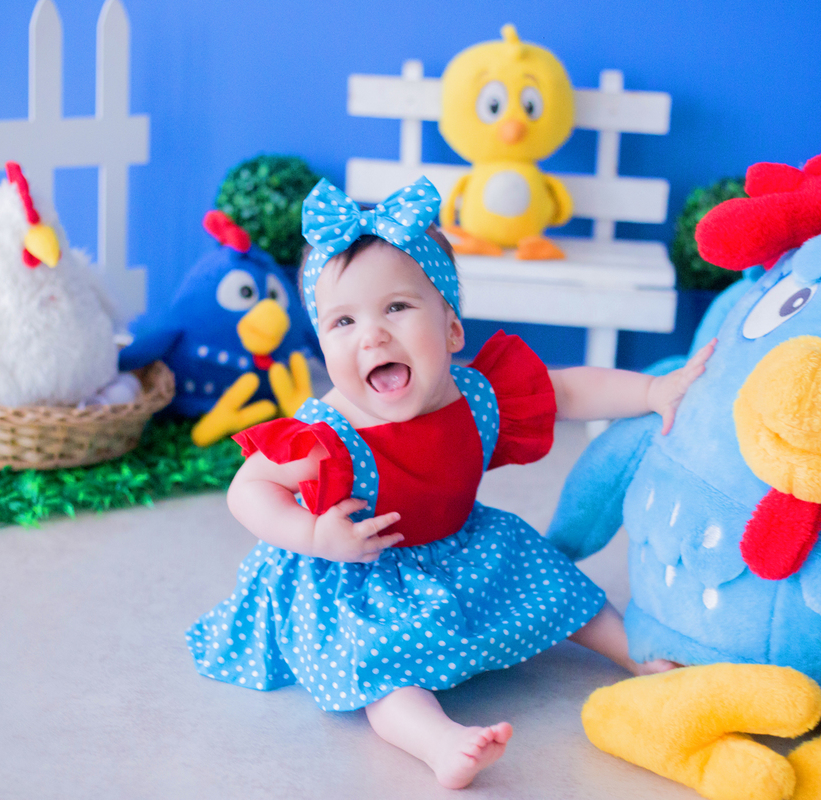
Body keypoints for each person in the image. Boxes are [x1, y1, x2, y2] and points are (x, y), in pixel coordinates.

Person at [186, 176, 715, 789]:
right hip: (361, 572)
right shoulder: (328, 434)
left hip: (461, 543)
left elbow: (567, 389)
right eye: (343, 322)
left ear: (452, 330)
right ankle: (440, 741)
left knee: (552, 579)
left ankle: (635, 651)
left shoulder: (476, 394)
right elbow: (247, 489)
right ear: (323, 346)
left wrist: (652, 391)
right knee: (382, 668)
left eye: (397, 308)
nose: (372, 335)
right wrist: (312, 534)